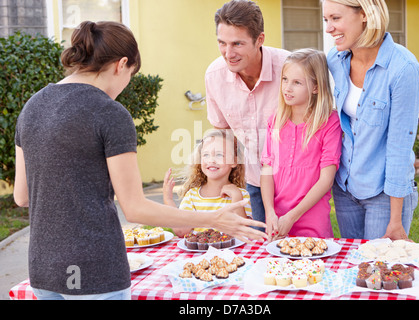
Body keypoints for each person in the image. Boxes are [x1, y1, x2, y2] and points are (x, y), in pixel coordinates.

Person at [13, 21, 266, 300]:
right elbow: (134, 208)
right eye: (131, 74)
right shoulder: (110, 113)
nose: (125, 84)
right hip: (95, 273)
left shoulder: (32, 107)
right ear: (122, 64)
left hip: (43, 269)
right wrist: (213, 218)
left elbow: (22, 196)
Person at [323, 0, 419, 240]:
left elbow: (400, 147)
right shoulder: (336, 60)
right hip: (345, 187)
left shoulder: (403, 69)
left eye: (335, 19)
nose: (328, 28)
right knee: (355, 270)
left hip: (384, 194)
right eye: (326, 20)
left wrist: (396, 220)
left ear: (365, 15)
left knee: (377, 272)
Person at [205, 0, 290, 230]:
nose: (228, 53)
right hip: (255, 181)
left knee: (302, 253)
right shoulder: (214, 76)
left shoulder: (289, 68)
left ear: (259, 40)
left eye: (237, 44)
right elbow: (223, 134)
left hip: (295, 182)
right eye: (222, 43)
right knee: (260, 253)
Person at [260, 49, 342, 241]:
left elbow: (326, 180)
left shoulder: (329, 122)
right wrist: (270, 211)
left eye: (297, 83)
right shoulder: (276, 121)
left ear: (315, 87)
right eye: (285, 79)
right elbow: (267, 170)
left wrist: (292, 216)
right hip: (277, 220)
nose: (287, 88)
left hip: (313, 221)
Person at [163, 129, 252, 238]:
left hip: (231, 254)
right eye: (206, 155)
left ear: (234, 161)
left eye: (219, 155)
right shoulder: (192, 196)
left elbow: (244, 232)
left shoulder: (241, 195)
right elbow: (181, 231)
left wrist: (236, 196)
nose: (211, 160)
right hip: (199, 254)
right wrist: (168, 200)